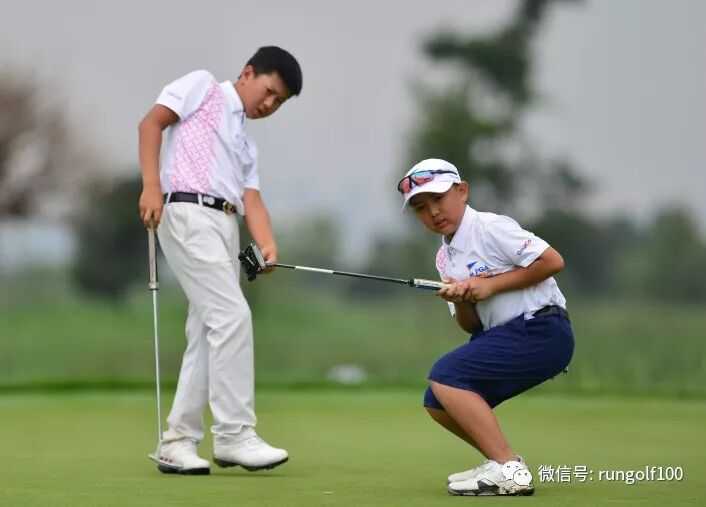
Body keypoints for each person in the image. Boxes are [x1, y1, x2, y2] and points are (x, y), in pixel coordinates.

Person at [138, 46, 302, 475]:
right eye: (269, 91)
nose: (270, 104)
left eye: (280, 102)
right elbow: (151, 124)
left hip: (225, 225)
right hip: (187, 210)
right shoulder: (204, 86)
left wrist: (266, 244)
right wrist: (151, 185)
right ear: (248, 73)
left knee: (208, 330)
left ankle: (178, 442)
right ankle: (233, 435)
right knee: (232, 317)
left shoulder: (246, 144)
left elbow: (252, 200)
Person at [397, 158, 574, 496]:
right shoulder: (444, 258)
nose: (433, 212)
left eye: (439, 198)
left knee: (446, 374)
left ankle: (509, 469)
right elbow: (471, 325)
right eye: (421, 208)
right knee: (436, 401)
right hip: (507, 334)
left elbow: (552, 261)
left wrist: (489, 286)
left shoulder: (490, 227)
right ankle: (500, 463)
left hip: (543, 329)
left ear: (462, 191)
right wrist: (461, 298)